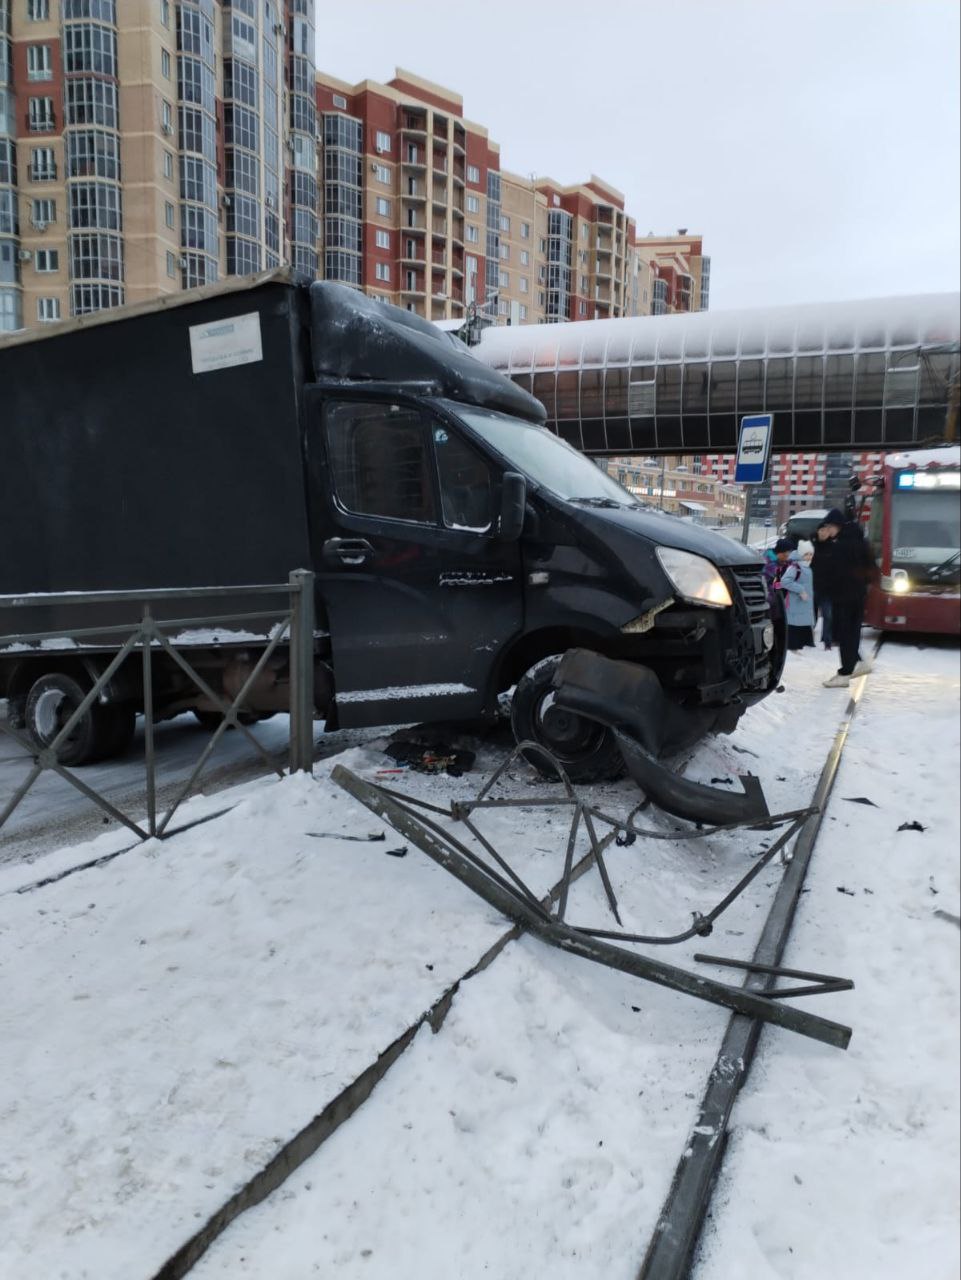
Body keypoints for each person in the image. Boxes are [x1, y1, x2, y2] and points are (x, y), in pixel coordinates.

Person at [811, 508, 878, 687]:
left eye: (829, 527)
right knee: (852, 632)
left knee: (844, 634)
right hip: (857, 595)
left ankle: (845, 673)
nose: (827, 530)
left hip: (843, 596)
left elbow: (826, 570)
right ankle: (858, 663)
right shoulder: (860, 541)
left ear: (837, 526)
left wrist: (821, 545)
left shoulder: (841, 546)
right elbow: (871, 569)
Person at [777, 548, 815, 650]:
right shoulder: (795, 567)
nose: (809, 557)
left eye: (811, 554)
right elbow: (785, 581)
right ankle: (793, 646)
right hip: (795, 602)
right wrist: (801, 590)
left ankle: (802, 643)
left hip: (804, 604)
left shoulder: (807, 567)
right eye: (806, 554)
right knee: (795, 624)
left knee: (802, 623)